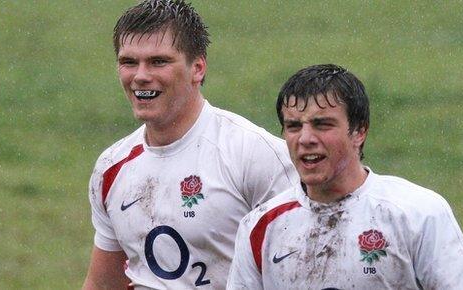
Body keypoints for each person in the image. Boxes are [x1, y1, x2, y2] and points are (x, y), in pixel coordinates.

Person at [82, 1, 300, 289]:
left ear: (197, 68)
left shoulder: (253, 154)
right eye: (129, 62)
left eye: (159, 61)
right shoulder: (111, 167)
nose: (141, 76)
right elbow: (102, 284)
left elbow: (303, 269)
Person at [227, 64, 463, 289]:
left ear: (359, 131)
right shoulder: (260, 226)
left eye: (322, 124)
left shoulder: (418, 214)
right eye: (294, 126)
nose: (305, 139)